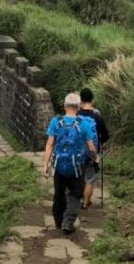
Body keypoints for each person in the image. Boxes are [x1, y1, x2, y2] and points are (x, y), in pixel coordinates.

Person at [42, 93, 98, 234]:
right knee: (75, 193)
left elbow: (50, 144)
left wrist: (45, 165)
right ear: (78, 106)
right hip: (77, 166)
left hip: (59, 165)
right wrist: (94, 158)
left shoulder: (56, 121)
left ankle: (58, 220)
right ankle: (68, 221)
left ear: (64, 105)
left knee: (59, 193)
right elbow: (91, 147)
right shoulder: (84, 124)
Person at [78, 87, 110, 209]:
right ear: (92, 99)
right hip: (93, 152)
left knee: (79, 176)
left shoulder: (76, 114)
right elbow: (105, 135)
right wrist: (100, 143)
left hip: (78, 151)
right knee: (89, 179)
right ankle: (86, 203)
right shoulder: (97, 116)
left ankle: (78, 198)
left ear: (80, 100)